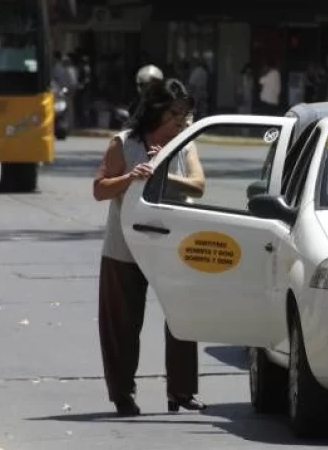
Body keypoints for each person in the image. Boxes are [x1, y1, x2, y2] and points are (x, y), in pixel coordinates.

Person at [93, 78, 206, 417]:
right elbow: (100, 189)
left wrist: (162, 173)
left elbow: (198, 187)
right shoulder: (124, 143)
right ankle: (122, 394)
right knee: (121, 325)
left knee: (182, 318)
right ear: (156, 110)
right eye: (175, 114)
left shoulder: (185, 145)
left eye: (186, 115)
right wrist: (131, 177)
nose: (181, 122)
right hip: (125, 247)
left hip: (172, 246)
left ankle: (181, 391)